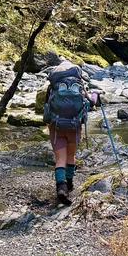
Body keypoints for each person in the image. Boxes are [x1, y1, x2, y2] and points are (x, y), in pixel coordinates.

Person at [43, 59, 100, 204]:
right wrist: (95, 94)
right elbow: (92, 103)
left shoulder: (53, 87)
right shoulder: (79, 85)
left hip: (56, 128)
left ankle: (61, 188)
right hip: (74, 128)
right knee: (70, 156)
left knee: (60, 158)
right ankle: (69, 184)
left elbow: (46, 109)